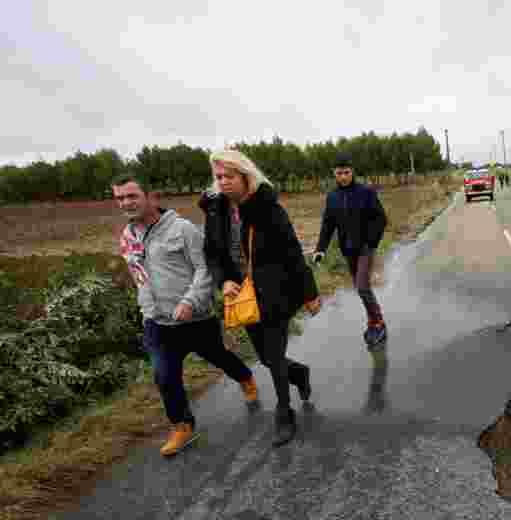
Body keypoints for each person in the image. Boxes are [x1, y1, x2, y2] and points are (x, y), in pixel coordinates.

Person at [113, 175, 258, 457]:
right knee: (164, 375)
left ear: (150, 196)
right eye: (120, 198)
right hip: (158, 322)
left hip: (195, 319)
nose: (126, 203)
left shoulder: (182, 230)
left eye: (131, 196)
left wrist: (190, 301)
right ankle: (182, 425)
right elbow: (139, 278)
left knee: (219, 356)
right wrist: (147, 311)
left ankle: (245, 377)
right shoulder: (127, 238)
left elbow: (205, 269)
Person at [200, 149, 321, 447]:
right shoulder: (216, 211)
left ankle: (284, 414)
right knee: (266, 358)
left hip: (277, 291)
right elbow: (212, 253)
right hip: (244, 295)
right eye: (218, 177)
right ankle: (300, 374)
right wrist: (224, 279)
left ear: (245, 176)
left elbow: (292, 251)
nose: (223, 182)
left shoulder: (268, 209)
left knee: (274, 355)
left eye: (229, 176)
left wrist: (310, 293)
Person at [312, 154, 389, 348]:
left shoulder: (366, 192)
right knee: (361, 287)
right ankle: (373, 320)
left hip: (365, 248)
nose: (343, 176)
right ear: (334, 174)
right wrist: (320, 249)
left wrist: (371, 243)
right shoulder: (333, 197)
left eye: (346, 172)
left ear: (352, 171)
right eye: (339, 173)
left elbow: (381, 219)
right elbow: (328, 225)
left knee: (362, 286)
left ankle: (378, 323)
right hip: (348, 250)